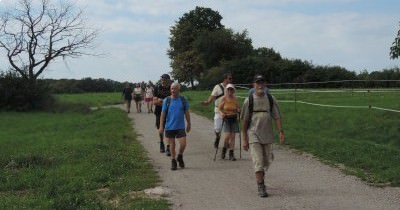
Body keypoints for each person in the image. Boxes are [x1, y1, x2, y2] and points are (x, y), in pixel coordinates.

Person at [241, 74, 284, 198]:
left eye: (262, 82)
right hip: (253, 134)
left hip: (267, 134)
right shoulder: (249, 100)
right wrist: (244, 138)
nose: (260, 85)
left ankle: (262, 181)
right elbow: (244, 121)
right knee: (258, 161)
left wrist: (281, 131)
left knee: (266, 161)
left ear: (265, 84)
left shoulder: (270, 99)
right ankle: (260, 186)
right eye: (257, 82)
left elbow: (276, 116)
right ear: (253, 85)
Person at [159, 82, 191, 170]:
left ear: (178, 90)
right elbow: (163, 114)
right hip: (169, 126)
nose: (173, 90)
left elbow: (187, 113)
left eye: (175, 89)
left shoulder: (183, 100)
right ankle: (173, 161)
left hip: (180, 126)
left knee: (183, 144)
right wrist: (161, 126)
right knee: (172, 144)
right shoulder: (167, 100)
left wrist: (189, 123)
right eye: (172, 89)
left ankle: (180, 156)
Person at [201, 72, 233, 149]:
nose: (231, 80)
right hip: (218, 110)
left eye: (231, 78)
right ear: (225, 79)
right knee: (217, 128)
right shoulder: (217, 87)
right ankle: (218, 137)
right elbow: (212, 96)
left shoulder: (231, 87)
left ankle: (226, 143)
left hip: (228, 111)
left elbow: (234, 98)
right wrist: (207, 102)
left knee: (228, 129)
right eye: (230, 78)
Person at [218, 83, 240, 161]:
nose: (230, 90)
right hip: (226, 118)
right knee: (227, 136)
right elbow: (219, 109)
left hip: (234, 118)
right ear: (226, 90)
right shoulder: (223, 98)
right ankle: (224, 149)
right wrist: (222, 114)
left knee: (233, 136)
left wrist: (238, 111)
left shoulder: (235, 98)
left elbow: (238, 108)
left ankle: (231, 154)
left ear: (233, 90)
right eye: (228, 89)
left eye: (231, 89)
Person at [153, 74, 172, 156]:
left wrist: (161, 101)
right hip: (159, 112)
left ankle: (168, 147)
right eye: (162, 79)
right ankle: (161, 143)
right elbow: (154, 102)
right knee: (160, 129)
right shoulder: (157, 88)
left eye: (164, 79)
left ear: (168, 80)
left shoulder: (171, 88)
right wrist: (166, 102)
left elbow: (173, 101)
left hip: (170, 112)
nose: (163, 80)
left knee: (168, 129)